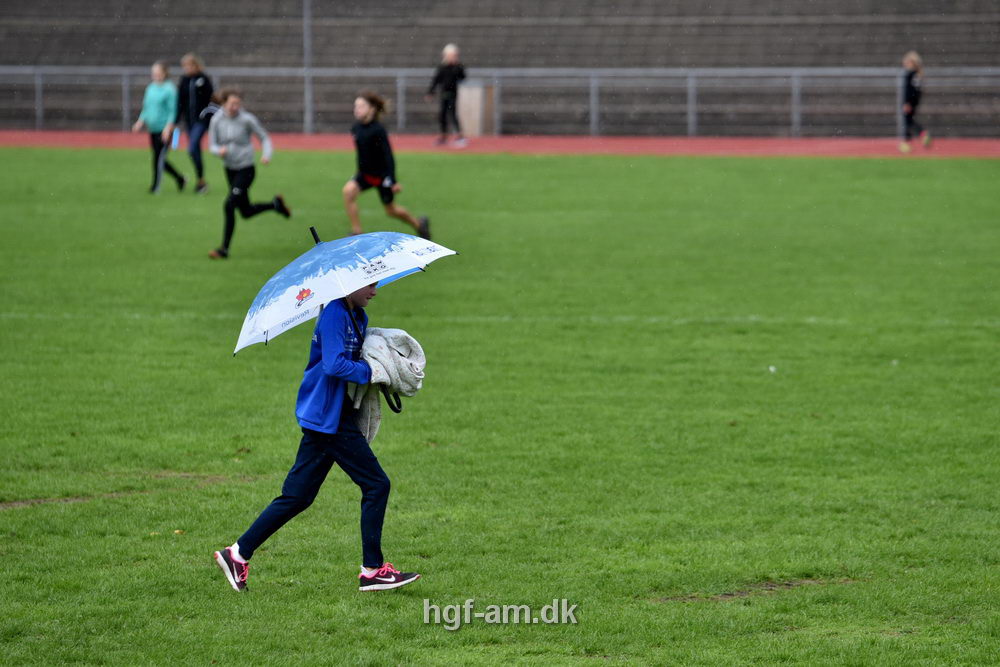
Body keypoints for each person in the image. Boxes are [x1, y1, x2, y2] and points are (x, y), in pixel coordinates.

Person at [213, 283, 422, 593]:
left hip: (329, 416)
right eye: (369, 284)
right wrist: (373, 371)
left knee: (298, 496)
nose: (375, 291)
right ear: (349, 284)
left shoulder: (356, 315)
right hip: (328, 417)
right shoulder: (335, 314)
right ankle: (372, 571)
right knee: (377, 484)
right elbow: (334, 364)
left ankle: (237, 554)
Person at [206, 88, 291, 259]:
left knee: (229, 205)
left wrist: (266, 155)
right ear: (224, 103)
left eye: (238, 103)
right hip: (229, 169)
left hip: (246, 169)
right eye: (231, 103)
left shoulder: (247, 119)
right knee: (245, 212)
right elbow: (211, 145)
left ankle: (224, 249)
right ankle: (275, 205)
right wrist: (218, 151)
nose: (235, 107)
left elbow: (264, 137)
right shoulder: (216, 120)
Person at [342, 91, 430, 239]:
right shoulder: (356, 128)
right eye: (355, 106)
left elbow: (388, 156)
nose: (356, 109)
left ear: (372, 109)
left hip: (382, 177)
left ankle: (419, 224)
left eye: (361, 106)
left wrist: (392, 180)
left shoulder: (378, 130)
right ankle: (357, 231)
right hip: (364, 175)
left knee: (391, 211)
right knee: (348, 192)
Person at [131, 61, 185, 193]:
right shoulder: (150, 88)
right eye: (153, 73)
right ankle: (180, 178)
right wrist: (140, 121)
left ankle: (156, 186)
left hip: (164, 129)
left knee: (158, 158)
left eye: (158, 72)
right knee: (159, 157)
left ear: (165, 73)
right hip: (153, 128)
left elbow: (173, 110)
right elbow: (146, 107)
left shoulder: (170, 89)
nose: (155, 75)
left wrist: (168, 128)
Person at [176, 53, 214, 193]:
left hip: (201, 121)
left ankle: (201, 181)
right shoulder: (184, 80)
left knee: (192, 148)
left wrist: (209, 118)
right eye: (184, 66)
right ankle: (201, 181)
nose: (187, 68)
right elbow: (180, 102)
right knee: (195, 151)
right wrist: (176, 120)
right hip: (189, 121)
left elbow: (211, 99)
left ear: (195, 65)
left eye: (189, 65)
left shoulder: (203, 79)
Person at [425, 44, 466, 147]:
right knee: (442, 115)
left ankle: (459, 136)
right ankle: (444, 136)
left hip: (453, 94)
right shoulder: (442, 67)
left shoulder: (458, 67)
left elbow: (463, 77)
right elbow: (436, 80)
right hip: (444, 94)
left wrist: (457, 66)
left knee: (452, 114)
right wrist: (431, 92)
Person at [899, 51, 931, 153]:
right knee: (909, 121)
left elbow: (909, 90)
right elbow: (918, 91)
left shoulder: (910, 74)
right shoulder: (917, 74)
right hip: (914, 101)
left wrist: (907, 102)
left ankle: (907, 142)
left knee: (907, 121)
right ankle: (919, 136)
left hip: (910, 102)